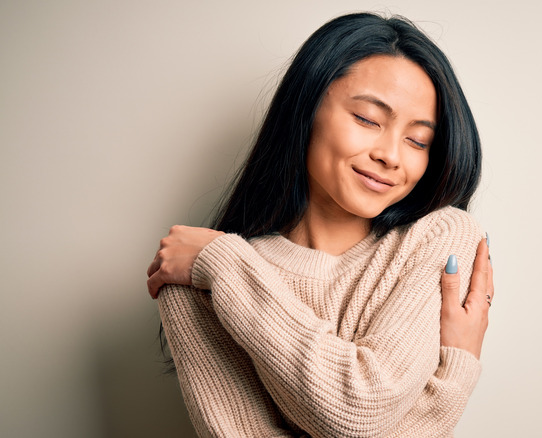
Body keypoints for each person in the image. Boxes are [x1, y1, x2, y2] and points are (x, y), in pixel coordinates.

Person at [146, 12, 494, 437]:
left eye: (418, 140)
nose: (392, 155)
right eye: (368, 118)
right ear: (306, 109)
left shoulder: (440, 236)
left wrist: (223, 265)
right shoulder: (198, 277)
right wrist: (452, 377)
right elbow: (359, 415)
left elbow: (360, 410)